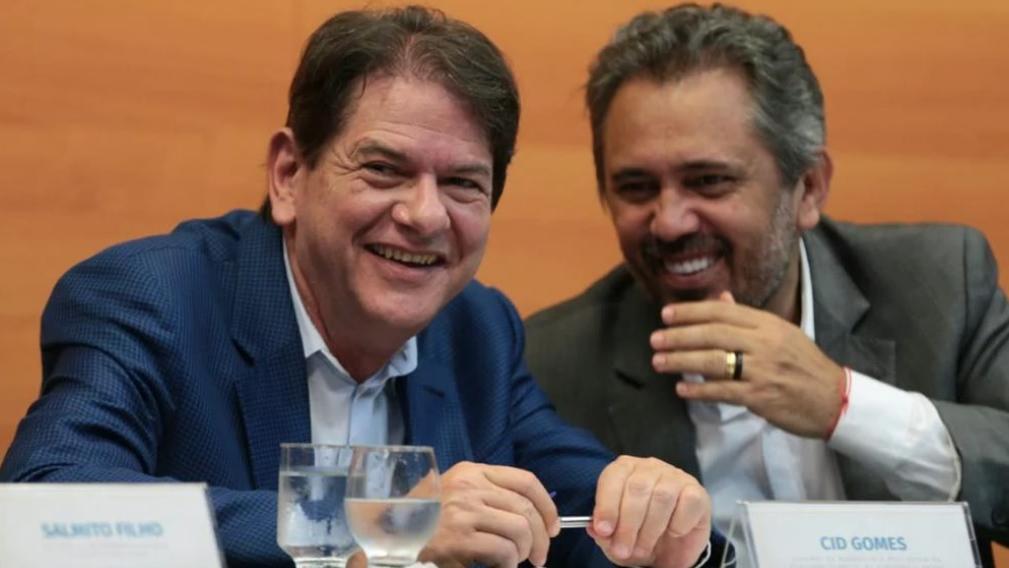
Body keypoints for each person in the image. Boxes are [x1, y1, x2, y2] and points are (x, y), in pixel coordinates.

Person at [0, 7, 726, 568]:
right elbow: (46, 507)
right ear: (289, 175)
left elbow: (574, 511)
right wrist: (384, 525)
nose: (424, 215)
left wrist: (666, 525)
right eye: (383, 169)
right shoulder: (154, 297)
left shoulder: (477, 329)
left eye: (462, 183)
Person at [524, 3, 1009, 565]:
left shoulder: (940, 283)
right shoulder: (554, 363)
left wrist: (844, 404)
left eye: (709, 181)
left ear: (808, 188)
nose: (670, 222)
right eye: (636, 188)